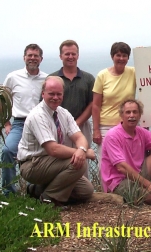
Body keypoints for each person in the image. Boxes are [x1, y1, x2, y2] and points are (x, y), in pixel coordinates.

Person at [18, 76, 95, 207]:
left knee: (86, 191)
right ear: (43, 94)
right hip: (33, 164)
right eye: (51, 94)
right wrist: (85, 153)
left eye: (59, 94)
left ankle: (36, 191)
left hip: (53, 164)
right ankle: (49, 199)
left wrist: (81, 150)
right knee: (80, 164)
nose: (55, 97)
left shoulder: (63, 113)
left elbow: (79, 137)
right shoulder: (37, 115)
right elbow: (53, 149)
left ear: (63, 95)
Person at [100, 99, 151, 205]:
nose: (131, 115)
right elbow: (121, 167)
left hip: (137, 175)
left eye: (135, 112)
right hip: (119, 181)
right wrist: (148, 185)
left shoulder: (140, 132)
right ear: (122, 115)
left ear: (139, 115)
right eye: (128, 112)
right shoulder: (112, 135)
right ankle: (149, 192)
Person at [1, 44, 48, 196]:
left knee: (39, 156)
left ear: (41, 59)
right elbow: (3, 101)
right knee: (8, 151)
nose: (33, 58)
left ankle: (33, 193)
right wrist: (6, 123)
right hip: (20, 123)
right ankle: (9, 193)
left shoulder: (46, 79)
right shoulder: (13, 77)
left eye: (36, 55)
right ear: (24, 57)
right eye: (30, 55)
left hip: (40, 123)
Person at [92, 42, 136, 185]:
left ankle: (127, 192)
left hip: (126, 126)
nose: (121, 58)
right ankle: (107, 194)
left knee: (126, 162)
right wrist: (96, 129)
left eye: (124, 55)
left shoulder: (133, 72)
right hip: (106, 126)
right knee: (106, 162)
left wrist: (145, 53)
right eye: (118, 55)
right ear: (112, 56)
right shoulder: (102, 76)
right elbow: (96, 105)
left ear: (128, 58)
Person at [50, 40, 95, 178]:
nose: (70, 56)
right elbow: (47, 104)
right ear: (60, 56)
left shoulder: (88, 78)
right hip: (57, 125)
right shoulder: (53, 78)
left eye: (73, 54)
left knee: (82, 157)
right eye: (67, 54)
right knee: (61, 159)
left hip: (82, 126)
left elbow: (93, 103)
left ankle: (84, 191)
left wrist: (78, 122)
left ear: (78, 55)